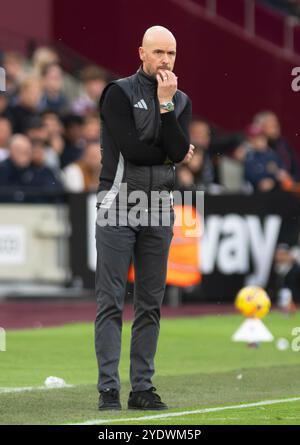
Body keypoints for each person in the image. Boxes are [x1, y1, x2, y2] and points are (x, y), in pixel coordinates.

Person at [95, 25, 193, 411]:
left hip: (158, 208)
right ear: (141, 53)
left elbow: (178, 146)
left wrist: (166, 107)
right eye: (157, 53)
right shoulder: (117, 93)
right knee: (111, 301)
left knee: (150, 304)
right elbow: (134, 151)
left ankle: (142, 389)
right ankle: (107, 389)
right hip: (118, 203)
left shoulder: (180, 100)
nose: (165, 61)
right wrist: (175, 153)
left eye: (170, 53)